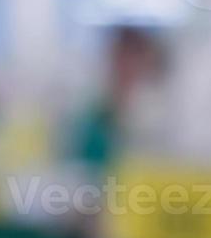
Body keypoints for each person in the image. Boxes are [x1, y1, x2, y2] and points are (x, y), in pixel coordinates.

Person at [69, 26, 165, 172]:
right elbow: (80, 155)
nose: (126, 65)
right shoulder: (95, 107)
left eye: (133, 58)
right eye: (120, 57)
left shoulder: (155, 107)